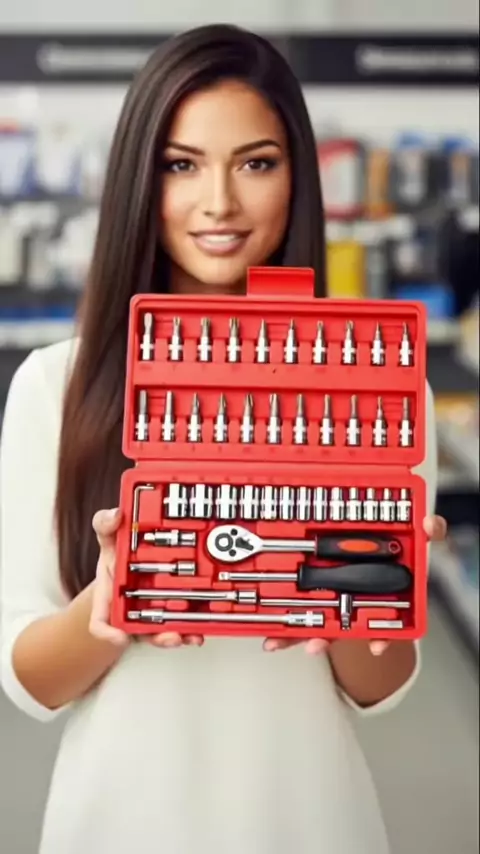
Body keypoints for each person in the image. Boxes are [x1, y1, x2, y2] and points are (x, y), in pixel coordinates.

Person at [0, 24, 447, 854]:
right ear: (140, 178)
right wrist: (112, 599)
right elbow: (30, 680)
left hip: (310, 819)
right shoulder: (54, 386)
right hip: (116, 822)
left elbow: (380, 687)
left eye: (255, 163)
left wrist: (369, 593)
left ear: (297, 176)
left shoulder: (378, 388)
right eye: (182, 165)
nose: (219, 203)